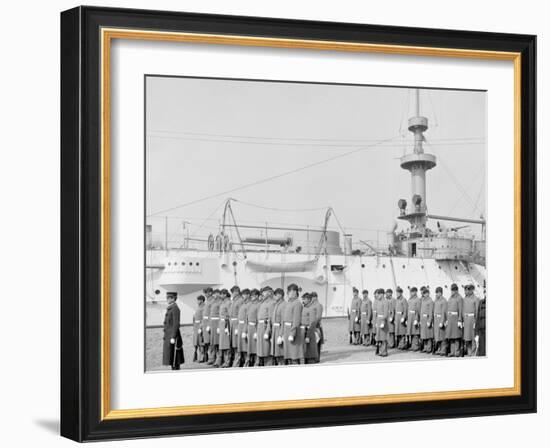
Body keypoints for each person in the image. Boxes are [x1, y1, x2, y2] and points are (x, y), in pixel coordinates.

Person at [282, 283, 304, 364]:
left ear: (296, 293)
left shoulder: (297, 303)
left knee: (294, 355)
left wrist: (292, 333)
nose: (290, 293)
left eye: (293, 291)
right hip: (287, 329)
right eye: (289, 291)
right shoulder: (289, 303)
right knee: (289, 355)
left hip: (293, 330)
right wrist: (283, 333)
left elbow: (296, 319)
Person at [162, 291, 184, 370]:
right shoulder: (171, 307)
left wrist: (173, 337)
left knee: (175, 357)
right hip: (168, 335)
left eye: (169, 298)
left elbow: (176, 323)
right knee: (170, 356)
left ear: (173, 298)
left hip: (172, 336)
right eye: (167, 298)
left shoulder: (175, 308)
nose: (167, 299)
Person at [256, 286, 275, 366]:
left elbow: (271, 319)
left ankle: (269, 365)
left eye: (264, 292)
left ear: (269, 293)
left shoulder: (271, 303)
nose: (263, 294)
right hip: (260, 327)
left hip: (265, 327)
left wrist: (268, 331)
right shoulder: (263, 303)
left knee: (267, 349)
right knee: (261, 349)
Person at [233, 288, 251, 367]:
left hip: (245, 326)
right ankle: (241, 362)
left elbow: (248, 318)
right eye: (242, 294)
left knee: (246, 347)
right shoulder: (243, 304)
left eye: (244, 294)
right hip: (240, 326)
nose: (243, 296)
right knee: (241, 346)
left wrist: (245, 330)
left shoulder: (250, 304)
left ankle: (246, 363)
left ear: (248, 295)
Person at [445, 283, 464, 357]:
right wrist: (446, 319)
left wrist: (460, 320)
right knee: (451, 337)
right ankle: (452, 352)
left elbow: (460, 309)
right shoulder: (450, 298)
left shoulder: (459, 298)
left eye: (454, 290)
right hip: (450, 319)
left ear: (457, 290)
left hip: (455, 319)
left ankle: (457, 352)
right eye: (452, 289)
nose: (452, 291)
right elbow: (448, 308)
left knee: (456, 337)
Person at [244, 289, 260, 367]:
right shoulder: (250, 305)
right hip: (249, 327)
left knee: (256, 347)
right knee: (249, 347)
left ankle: (256, 363)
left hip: (255, 327)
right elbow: (247, 318)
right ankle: (248, 362)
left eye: (254, 295)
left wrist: (257, 331)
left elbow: (258, 318)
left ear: (257, 296)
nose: (252, 297)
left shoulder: (258, 305)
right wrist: (246, 330)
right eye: (251, 295)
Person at [301, 293, 319, 364]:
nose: (303, 300)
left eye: (304, 299)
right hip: (303, 331)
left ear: (309, 300)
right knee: (305, 353)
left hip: (309, 332)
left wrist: (308, 336)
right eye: (303, 299)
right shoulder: (303, 308)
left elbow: (312, 323)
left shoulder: (311, 309)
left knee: (310, 353)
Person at [270, 288, 286, 365]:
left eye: (275, 295)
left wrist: (281, 335)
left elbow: (283, 321)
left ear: (280, 295)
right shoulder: (277, 304)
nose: (274, 297)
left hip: (279, 330)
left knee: (280, 353)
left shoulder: (283, 305)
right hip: (275, 330)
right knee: (276, 353)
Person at [463, 284, 479, 356]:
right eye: (466, 290)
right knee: (467, 337)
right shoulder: (465, 299)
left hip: (472, 320)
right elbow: (463, 309)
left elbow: (477, 311)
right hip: (466, 320)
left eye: (469, 289)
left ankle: (473, 352)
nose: (467, 291)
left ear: (472, 290)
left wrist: (476, 321)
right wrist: (462, 320)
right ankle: (469, 351)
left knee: (472, 336)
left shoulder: (475, 299)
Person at [229, 285, 243, 366]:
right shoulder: (233, 301)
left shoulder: (240, 300)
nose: (232, 294)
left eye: (233, 292)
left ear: (237, 292)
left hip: (236, 324)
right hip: (232, 324)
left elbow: (240, 315)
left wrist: (238, 327)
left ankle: (237, 362)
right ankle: (234, 360)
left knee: (237, 344)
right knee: (233, 344)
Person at [373, 288, 390, 357]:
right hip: (379, 320)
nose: (378, 296)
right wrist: (377, 322)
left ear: (382, 294)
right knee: (379, 337)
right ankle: (381, 350)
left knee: (383, 337)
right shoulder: (378, 301)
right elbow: (377, 313)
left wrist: (383, 321)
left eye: (379, 294)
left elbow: (385, 313)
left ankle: (384, 352)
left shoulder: (385, 302)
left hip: (383, 321)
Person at [206, 289, 221, 365]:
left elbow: (221, 315)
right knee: (212, 343)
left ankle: (218, 360)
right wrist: (208, 325)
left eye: (217, 294)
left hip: (217, 323)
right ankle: (212, 358)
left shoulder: (220, 302)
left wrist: (219, 326)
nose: (215, 295)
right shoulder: (212, 302)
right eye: (214, 294)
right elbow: (210, 315)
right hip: (212, 324)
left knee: (218, 343)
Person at [433, 287, 448, 356]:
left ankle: (443, 350)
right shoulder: (436, 300)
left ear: (441, 293)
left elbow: (443, 312)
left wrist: (442, 322)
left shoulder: (444, 301)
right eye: (436, 292)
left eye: (437, 292)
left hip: (440, 319)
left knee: (442, 336)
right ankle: (439, 349)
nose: (436, 294)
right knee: (437, 336)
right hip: (436, 320)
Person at [310, 291, 324, 361]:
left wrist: (314, 325)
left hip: (316, 326)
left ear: (315, 297)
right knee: (313, 343)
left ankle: (317, 358)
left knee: (317, 342)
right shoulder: (312, 305)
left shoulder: (318, 305)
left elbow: (318, 317)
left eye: (312, 297)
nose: (311, 299)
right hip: (312, 326)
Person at [419, 286, 434, 353]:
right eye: (424, 293)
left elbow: (431, 312)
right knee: (424, 335)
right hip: (423, 319)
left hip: (427, 319)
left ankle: (429, 348)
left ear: (428, 293)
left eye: (426, 293)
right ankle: (425, 347)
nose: (425, 294)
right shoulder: (423, 300)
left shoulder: (430, 301)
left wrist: (429, 320)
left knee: (428, 335)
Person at [406, 287, 421, 351]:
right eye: (410, 292)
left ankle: (416, 346)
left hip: (414, 317)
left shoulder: (417, 300)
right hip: (410, 317)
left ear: (415, 292)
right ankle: (412, 345)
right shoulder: (409, 300)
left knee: (415, 333)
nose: (411, 293)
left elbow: (418, 310)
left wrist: (417, 319)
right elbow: (407, 309)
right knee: (411, 332)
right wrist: (406, 318)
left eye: (412, 292)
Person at [201, 287, 213, 363]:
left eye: (207, 292)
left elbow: (212, 314)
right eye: (205, 292)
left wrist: (209, 324)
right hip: (204, 323)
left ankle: (212, 358)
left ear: (210, 293)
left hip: (209, 323)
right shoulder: (207, 301)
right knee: (205, 341)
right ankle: (206, 357)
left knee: (211, 342)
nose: (205, 294)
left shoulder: (212, 301)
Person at [192, 295, 205, 362]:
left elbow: (203, 318)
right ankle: (196, 356)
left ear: (202, 300)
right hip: (196, 326)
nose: (197, 301)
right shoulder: (198, 307)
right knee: (196, 342)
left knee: (201, 343)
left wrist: (201, 327)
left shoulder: (203, 308)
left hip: (200, 326)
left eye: (198, 300)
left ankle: (202, 357)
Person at [476, 288, 486, 356]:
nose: (485, 293)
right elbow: (477, 318)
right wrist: (476, 334)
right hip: (481, 330)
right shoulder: (481, 302)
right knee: (481, 351)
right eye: (484, 292)